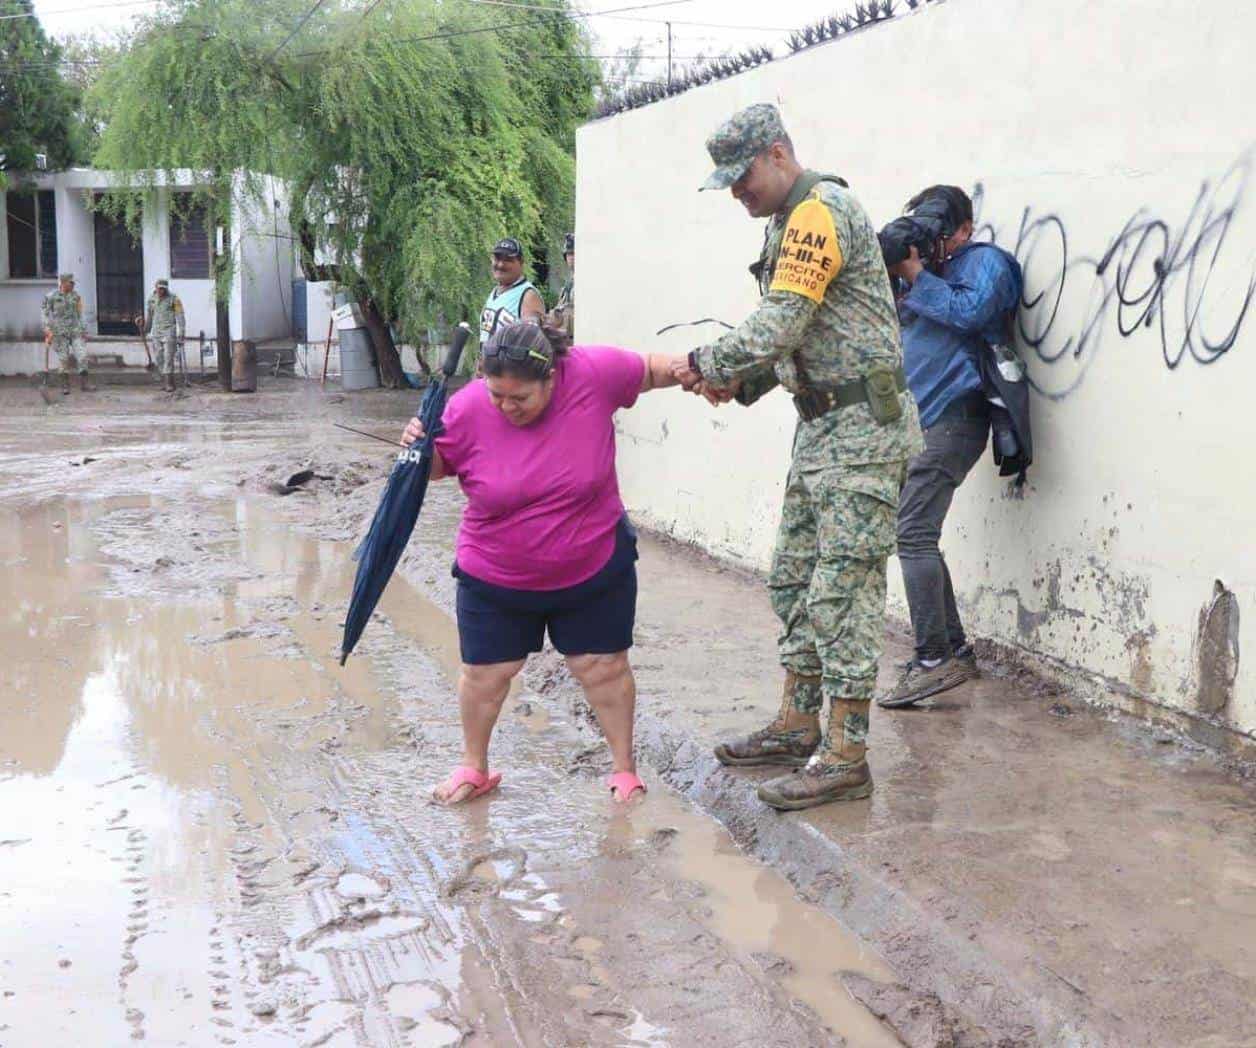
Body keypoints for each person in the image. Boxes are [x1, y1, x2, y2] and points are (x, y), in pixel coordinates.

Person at [672, 103, 923, 811]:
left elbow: (781, 318)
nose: (735, 191)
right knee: (792, 580)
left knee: (842, 592)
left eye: (742, 174)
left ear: (779, 153)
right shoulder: (787, 221)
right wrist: (741, 379)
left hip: (862, 436)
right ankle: (797, 721)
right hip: (821, 431)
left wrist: (708, 361)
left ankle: (845, 754)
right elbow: (801, 331)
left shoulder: (822, 210)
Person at [399, 321, 689, 806]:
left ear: (552, 378)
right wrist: (416, 447)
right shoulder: (467, 407)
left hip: (592, 564)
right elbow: (433, 469)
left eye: (521, 398)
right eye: (498, 395)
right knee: (485, 675)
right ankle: (474, 766)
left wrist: (704, 370)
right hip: (496, 572)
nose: (507, 407)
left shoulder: (594, 373)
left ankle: (624, 769)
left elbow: (654, 370)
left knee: (603, 669)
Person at [877, 186, 1023, 709]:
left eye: (944, 233)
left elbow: (972, 313)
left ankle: (934, 658)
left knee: (912, 534)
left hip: (956, 418)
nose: (935, 244)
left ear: (964, 229)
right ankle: (954, 650)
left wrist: (918, 278)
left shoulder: (988, 263)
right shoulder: (919, 274)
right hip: (919, 423)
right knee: (915, 534)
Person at [479, 237, 545, 348]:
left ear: (521, 262)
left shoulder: (528, 295)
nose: (500, 264)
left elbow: (533, 344)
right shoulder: (494, 293)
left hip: (510, 365)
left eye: (507, 260)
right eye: (497, 258)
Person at [41, 273, 93, 394]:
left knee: (83, 355)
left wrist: (84, 330)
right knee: (63, 359)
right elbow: (44, 314)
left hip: (75, 331)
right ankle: (65, 385)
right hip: (59, 333)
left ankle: (85, 384)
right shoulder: (51, 297)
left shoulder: (76, 296)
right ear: (64, 283)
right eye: (71, 282)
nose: (73, 284)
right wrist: (47, 329)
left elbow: (80, 314)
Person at [145, 278, 186, 393]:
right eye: (159, 288)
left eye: (163, 288)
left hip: (169, 330)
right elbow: (149, 316)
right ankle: (165, 381)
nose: (161, 290)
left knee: (168, 356)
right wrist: (146, 329)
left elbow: (180, 316)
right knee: (159, 356)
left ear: (166, 288)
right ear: (156, 288)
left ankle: (169, 383)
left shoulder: (174, 299)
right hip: (156, 332)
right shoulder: (151, 300)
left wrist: (181, 331)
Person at [550, 233, 575, 338]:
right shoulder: (566, 287)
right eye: (569, 254)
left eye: (574, 253)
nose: (572, 257)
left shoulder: (590, 283)